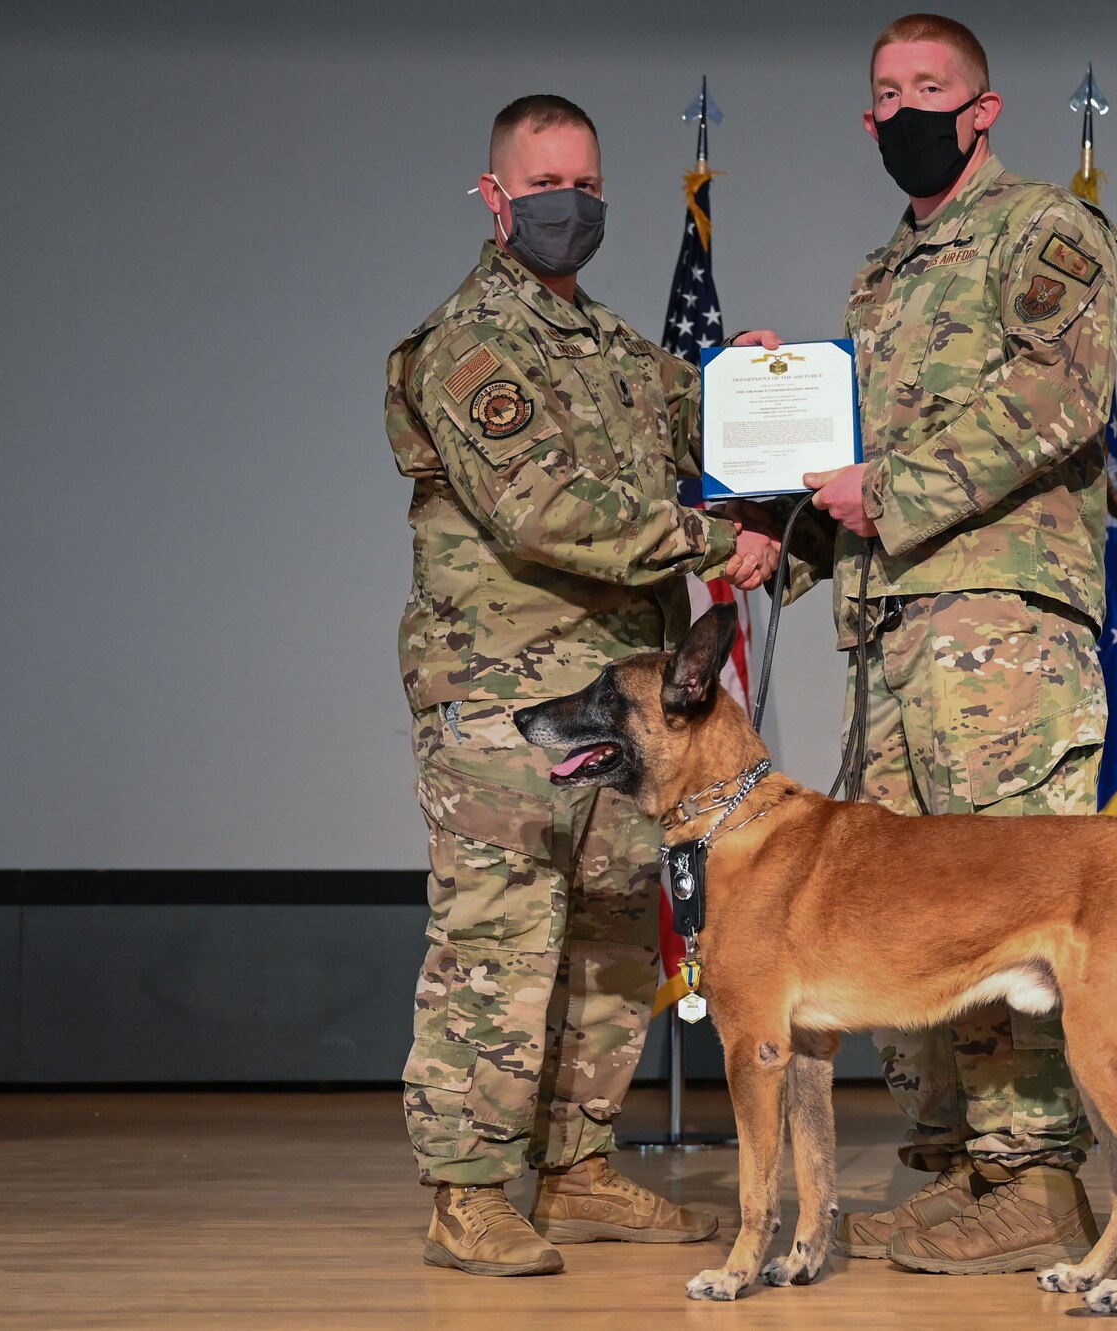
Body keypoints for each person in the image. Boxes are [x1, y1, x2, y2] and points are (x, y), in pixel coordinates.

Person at [747, 13, 1117, 1275]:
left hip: (999, 633)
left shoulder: (1044, 233)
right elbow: (851, 466)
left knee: (1003, 906)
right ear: (867, 119)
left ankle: (1033, 1180)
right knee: (897, 927)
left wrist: (890, 486)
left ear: (984, 109)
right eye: (884, 92)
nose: (905, 107)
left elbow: (1054, 394)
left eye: (931, 87)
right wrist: (772, 410)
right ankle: (963, 1167)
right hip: (893, 633)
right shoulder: (881, 276)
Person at [383, 93, 781, 1278]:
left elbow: (700, 418)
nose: (573, 206)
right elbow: (545, 510)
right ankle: (465, 1189)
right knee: (498, 939)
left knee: (612, 935)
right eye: (548, 185)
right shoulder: (468, 345)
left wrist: (755, 386)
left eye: (589, 186)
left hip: (626, 716)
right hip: (507, 700)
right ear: (495, 196)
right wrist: (714, 548)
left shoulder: (606, 348)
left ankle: (575, 1161)